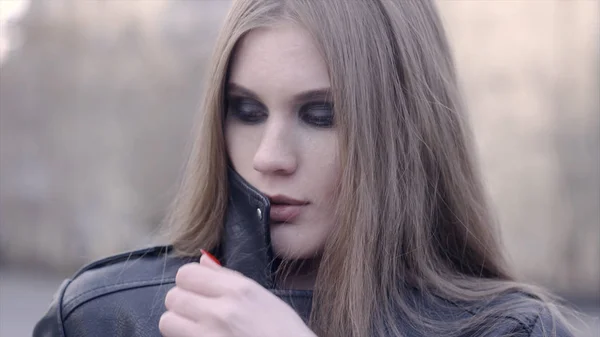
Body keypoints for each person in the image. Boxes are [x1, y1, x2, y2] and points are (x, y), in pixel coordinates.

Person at [33, 0, 577, 336]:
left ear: (403, 131)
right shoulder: (105, 316)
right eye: (246, 111)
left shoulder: (510, 331)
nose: (270, 156)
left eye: (320, 115)